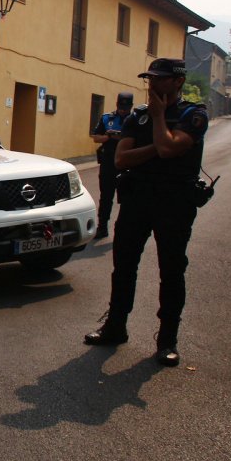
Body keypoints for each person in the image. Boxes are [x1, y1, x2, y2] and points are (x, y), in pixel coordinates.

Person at [83, 58, 209, 367]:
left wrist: (158, 122)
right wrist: (157, 141)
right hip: (138, 199)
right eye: (149, 79)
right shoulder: (137, 116)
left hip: (174, 203)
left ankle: (167, 340)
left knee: (171, 270)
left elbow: (168, 149)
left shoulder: (193, 115)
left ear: (177, 81)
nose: (152, 84)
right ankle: (115, 327)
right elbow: (122, 160)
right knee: (123, 266)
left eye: (160, 79)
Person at [90, 91, 135, 239]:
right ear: (117, 104)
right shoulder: (107, 118)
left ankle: (125, 230)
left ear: (131, 106)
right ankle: (102, 227)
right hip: (108, 163)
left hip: (127, 164)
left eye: (126, 107)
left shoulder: (136, 120)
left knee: (127, 198)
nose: (123, 110)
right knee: (106, 196)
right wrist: (109, 136)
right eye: (121, 107)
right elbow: (96, 138)